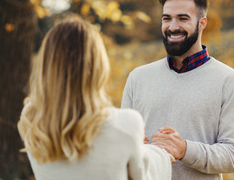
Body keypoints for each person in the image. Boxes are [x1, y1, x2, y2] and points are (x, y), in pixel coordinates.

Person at [18, 17, 172, 180]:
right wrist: (160, 152)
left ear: (46, 65)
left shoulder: (32, 122)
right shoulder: (126, 123)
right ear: (97, 66)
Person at [121, 0, 234, 180]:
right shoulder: (137, 78)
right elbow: (121, 145)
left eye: (183, 18)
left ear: (202, 23)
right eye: (167, 18)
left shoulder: (230, 82)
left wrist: (185, 150)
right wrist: (131, 145)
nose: (173, 27)